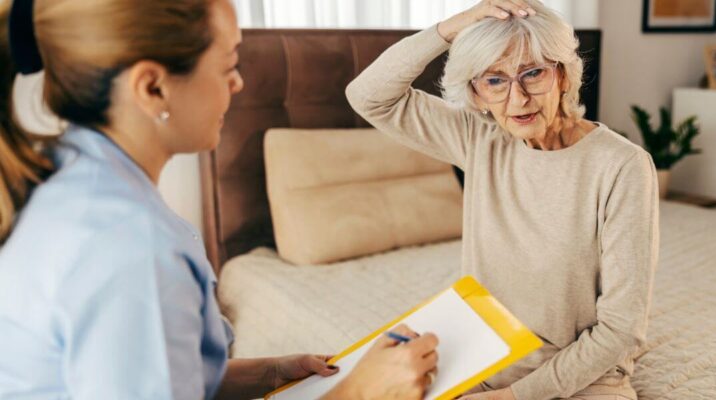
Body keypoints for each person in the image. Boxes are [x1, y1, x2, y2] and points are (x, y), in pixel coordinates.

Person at [0, 0, 438, 398]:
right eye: (228, 64)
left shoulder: (74, 174)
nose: (239, 83)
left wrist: (270, 373)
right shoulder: (128, 247)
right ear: (152, 88)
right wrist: (359, 393)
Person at [346, 0, 659, 399]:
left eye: (533, 73)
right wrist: (449, 29)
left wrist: (511, 398)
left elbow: (621, 330)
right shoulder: (479, 138)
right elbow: (368, 95)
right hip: (480, 359)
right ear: (476, 93)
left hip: (583, 376)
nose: (518, 99)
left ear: (563, 75)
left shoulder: (623, 166)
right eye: (494, 80)